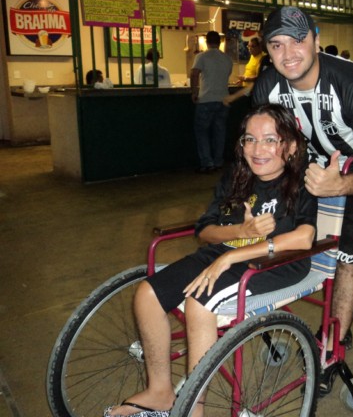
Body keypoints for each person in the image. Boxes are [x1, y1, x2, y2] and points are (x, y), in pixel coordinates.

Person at [104, 104, 316, 417]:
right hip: (222, 254)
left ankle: (193, 409)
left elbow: (303, 238)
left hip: (276, 263)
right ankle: (160, 391)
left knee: (198, 303)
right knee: (147, 295)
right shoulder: (236, 176)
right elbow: (206, 230)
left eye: (270, 140)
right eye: (249, 139)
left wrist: (235, 254)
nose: (257, 149)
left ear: (292, 145)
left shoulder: (302, 181)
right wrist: (240, 230)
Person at [252, 5, 353, 393]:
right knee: (271, 236)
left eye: (297, 41)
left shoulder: (352, 81)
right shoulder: (267, 85)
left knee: (346, 255)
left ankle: (334, 344)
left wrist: (339, 186)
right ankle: (273, 313)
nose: (288, 53)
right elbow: (264, 146)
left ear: (315, 37)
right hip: (300, 169)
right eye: (276, 45)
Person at [190, 31, 233, 173]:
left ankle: (207, 163)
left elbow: (194, 73)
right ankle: (218, 161)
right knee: (219, 132)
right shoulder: (227, 58)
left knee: (202, 132)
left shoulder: (201, 56)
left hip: (206, 99)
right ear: (219, 42)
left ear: (206, 42)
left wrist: (194, 92)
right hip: (223, 99)